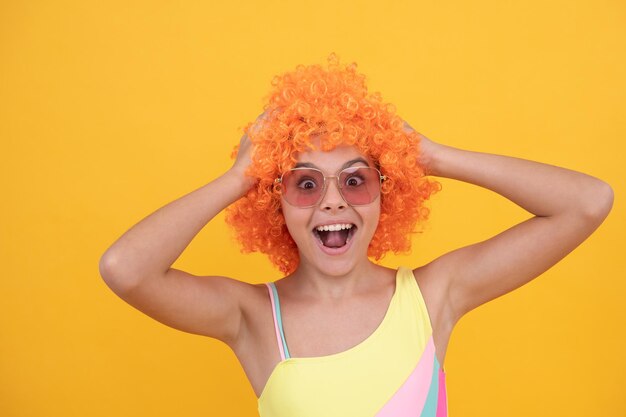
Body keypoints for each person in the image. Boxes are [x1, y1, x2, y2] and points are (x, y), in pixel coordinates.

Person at [99, 54, 614, 416]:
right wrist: (238, 176)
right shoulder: (253, 318)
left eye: (354, 179)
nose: (332, 200)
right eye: (304, 183)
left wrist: (433, 156)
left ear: (385, 193)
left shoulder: (432, 296)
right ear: (273, 201)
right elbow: (125, 269)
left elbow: (588, 202)